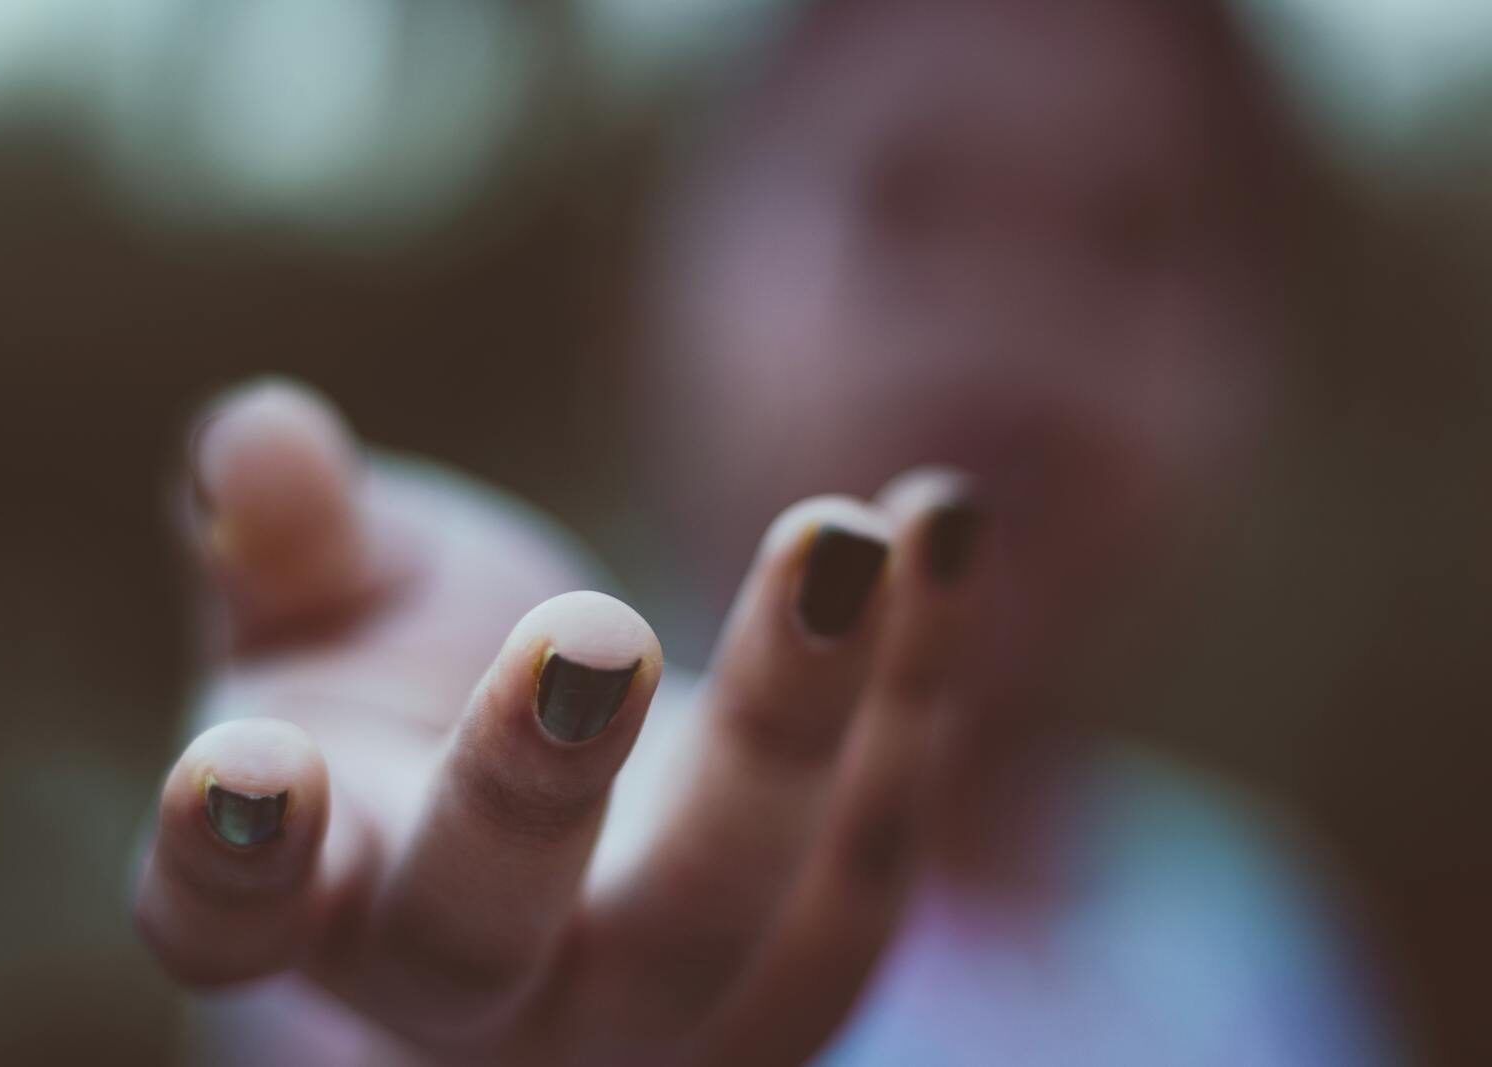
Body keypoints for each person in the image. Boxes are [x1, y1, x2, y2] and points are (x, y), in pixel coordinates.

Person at [132, 0, 1398, 1062]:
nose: (1016, 331)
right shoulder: (555, 857)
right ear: (654, 290)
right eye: (909, 200)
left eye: (1137, 235)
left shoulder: (1256, 929)